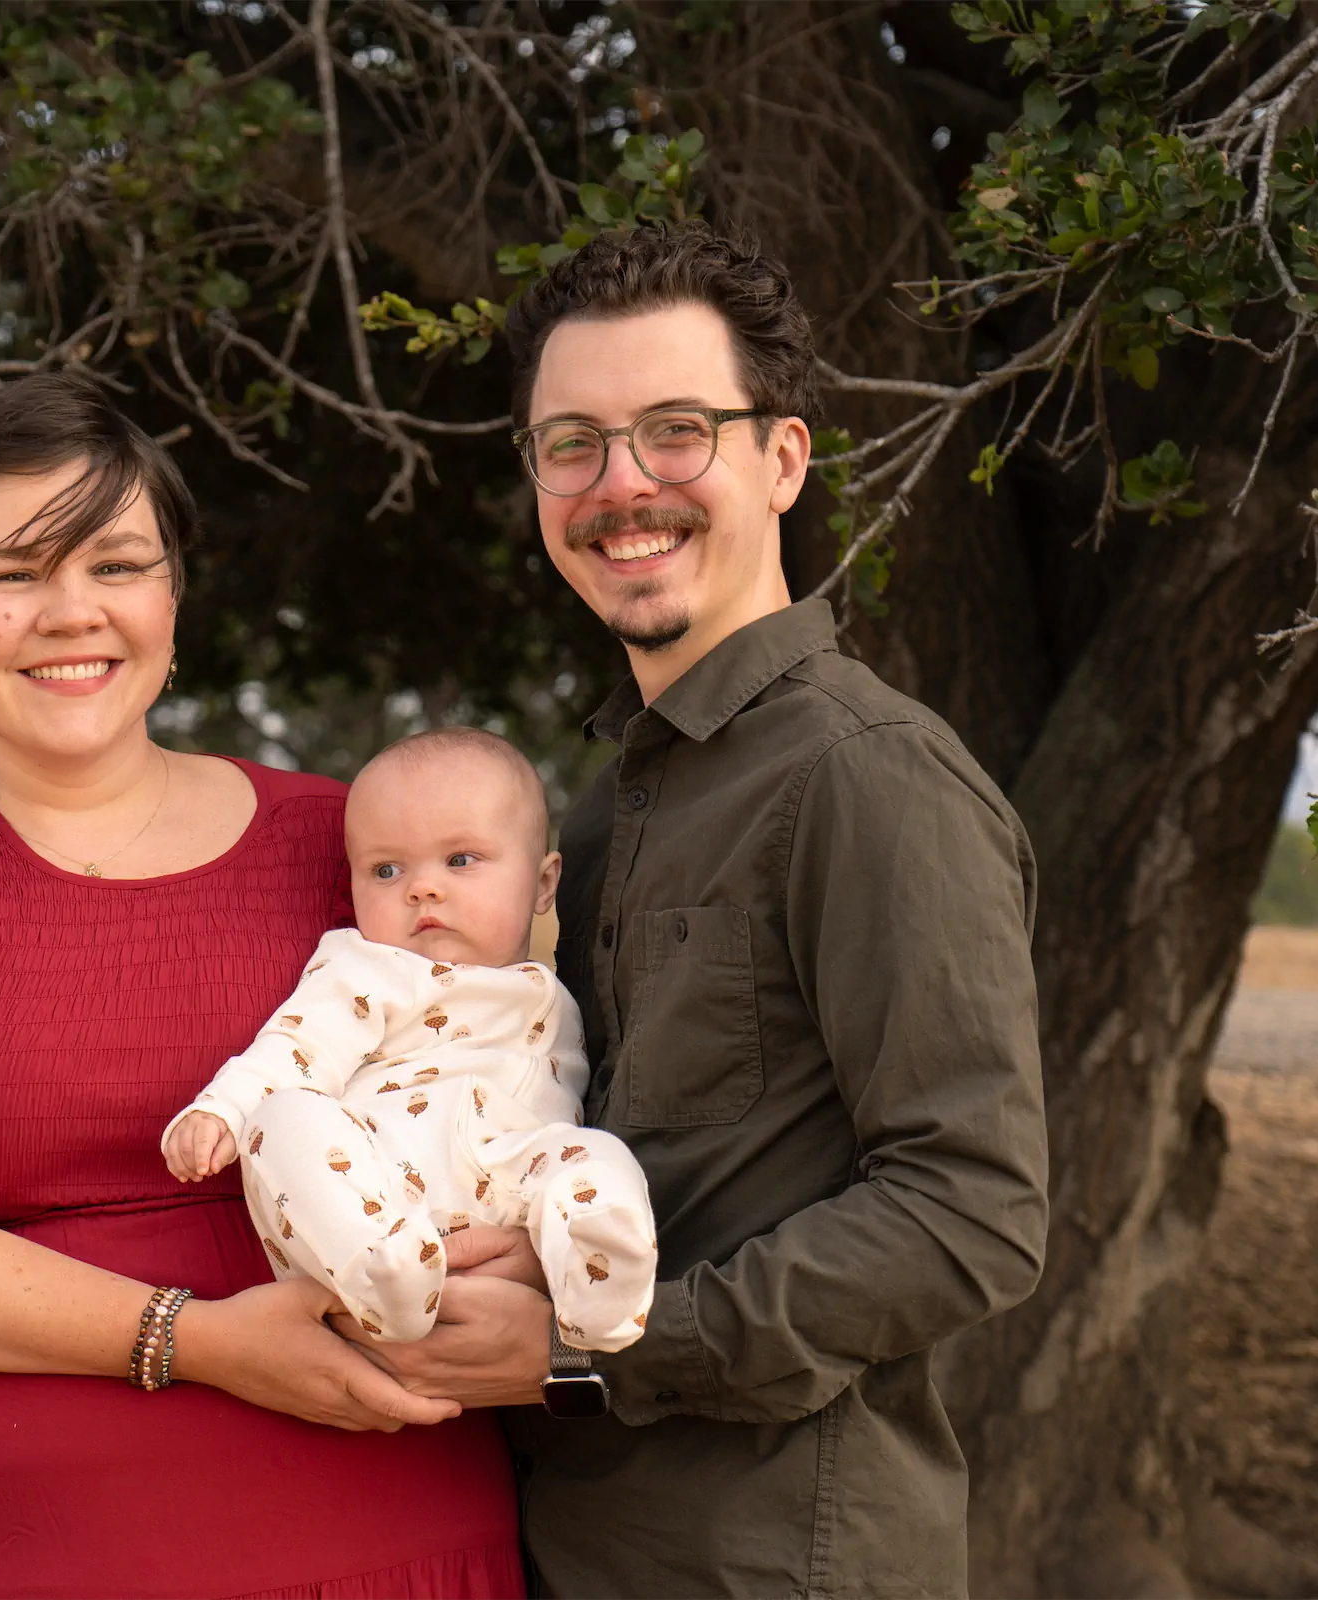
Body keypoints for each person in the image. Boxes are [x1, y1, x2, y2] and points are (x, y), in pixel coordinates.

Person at [346, 223, 1050, 1598]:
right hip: (570, 1543)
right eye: (573, 444)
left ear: (781, 460)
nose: (623, 486)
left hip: (776, 1559)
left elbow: (972, 1210)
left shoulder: (868, 777)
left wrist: (595, 1345)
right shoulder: (598, 814)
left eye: (677, 431)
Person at [0, 371, 526, 1600]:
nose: (73, 613)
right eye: (13, 573)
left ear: (172, 595)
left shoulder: (359, 851)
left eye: (116, 564)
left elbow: (516, 1092)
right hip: (0, 1572)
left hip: (388, 1553)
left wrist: (530, 1289)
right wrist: (195, 1340)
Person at [162, 727, 657, 1351]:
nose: (422, 888)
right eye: (386, 870)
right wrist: (225, 1109)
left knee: (594, 1157)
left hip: (514, 1172)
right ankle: (381, 1270)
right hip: (378, 1182)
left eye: (460, 860)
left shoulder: (560, 987)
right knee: (282, 1117)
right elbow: (300, 1045)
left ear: (542, 884)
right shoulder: (365, 967)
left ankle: (602, 1290)